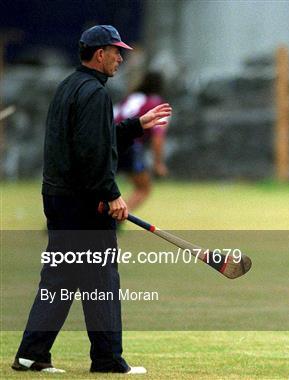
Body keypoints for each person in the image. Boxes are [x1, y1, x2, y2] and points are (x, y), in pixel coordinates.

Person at [12, 25, 171, 374]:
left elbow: (97, 138)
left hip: (59, 199)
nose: (121, 57)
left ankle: (31, 354)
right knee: (101, 281)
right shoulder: (95, 94)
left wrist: (136, 125)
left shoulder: (70, 86)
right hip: (85, 204)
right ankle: (108, 359)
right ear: (100, 54)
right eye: (116, 52)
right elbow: (91, 151)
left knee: (61, 279)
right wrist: (111, 194)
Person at [114, 71, 169, 212]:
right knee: (144, 188)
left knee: (93, 187)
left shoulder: (129, 98)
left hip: (109, 142)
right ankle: (115, 220)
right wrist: (158, 163)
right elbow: (158, 137)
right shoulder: (155, 104)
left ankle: (66, 220)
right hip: (130, 146)